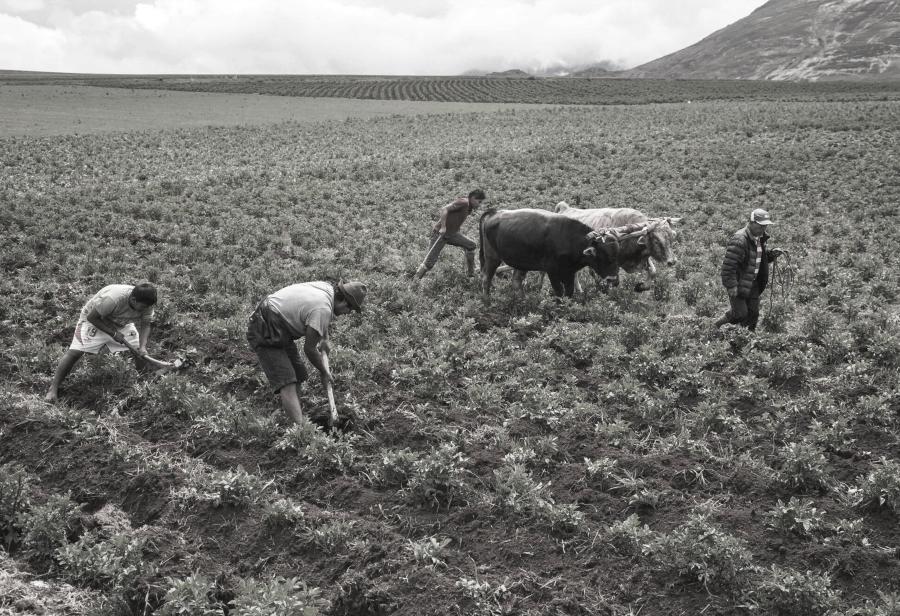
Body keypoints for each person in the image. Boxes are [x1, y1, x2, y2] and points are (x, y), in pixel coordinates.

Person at [246, 280, 367, 425]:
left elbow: (317, 312)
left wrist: (325, 338)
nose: (348, 313)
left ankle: (296, 416)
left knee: (299, 374)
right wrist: (324, 372)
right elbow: (309, 349)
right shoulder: (323, 309)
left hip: (280, 324)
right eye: (350, 309)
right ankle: (302, 433)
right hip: (265, 326)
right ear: (344, 302)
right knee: (287, 380)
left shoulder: (327, 289)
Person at [45, 282, 158, 402]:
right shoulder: (112, 299)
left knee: (139, 352)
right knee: (75, 352)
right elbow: (92, 317)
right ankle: (53, 389)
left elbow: (146, 324)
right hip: (95, 319)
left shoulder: (147, 303)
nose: (145, 310)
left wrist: (143, 346)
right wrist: (113, 333)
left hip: (122, 322)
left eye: (147, 307)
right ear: (134, 300)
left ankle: (143, 383)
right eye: (143, 308)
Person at [715, 208, 783, 331]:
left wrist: (771, 255)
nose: (763, 229)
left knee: (753, 314)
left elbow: (756, 258)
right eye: (760, 226)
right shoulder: (740, 239)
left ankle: (747, 339)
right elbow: (728, 266)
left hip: (753, 282)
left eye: (765, 226)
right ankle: (717, 324)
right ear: (751, 223)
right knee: (741, 313)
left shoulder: (759, 238)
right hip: (739, 282)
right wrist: (731, 286)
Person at [413, 189, 486, 281]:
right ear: (473, 198)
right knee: (429, 262)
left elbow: (455, 218)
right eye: (479, 202)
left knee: (471, 245)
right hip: (440, 234)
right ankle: (415, 280)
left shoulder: (469, 208)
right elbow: (445, 209)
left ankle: (471, 274)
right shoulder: (464, 202)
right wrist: (443, 227)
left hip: (452, 234)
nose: (479, 205)